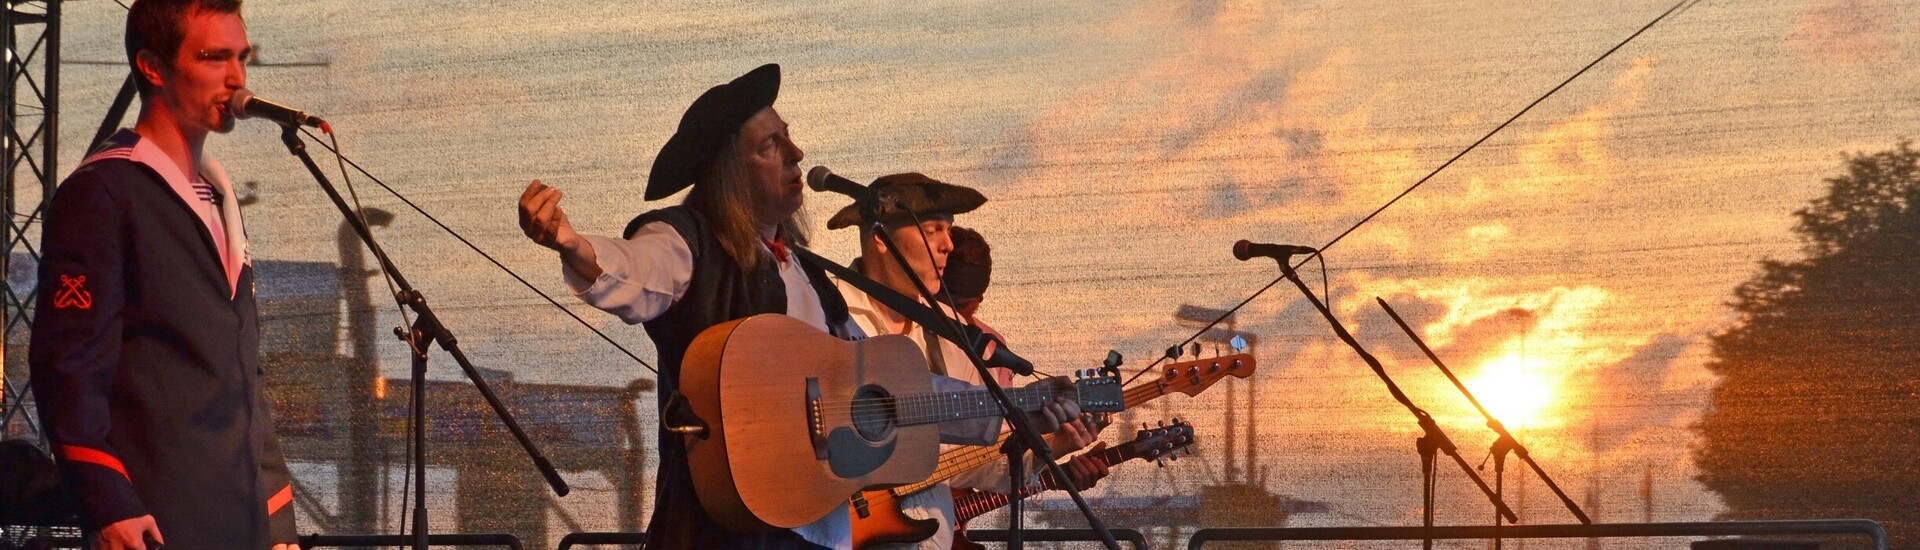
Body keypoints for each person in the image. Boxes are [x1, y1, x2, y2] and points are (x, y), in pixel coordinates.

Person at [517, 64, 1084, 550]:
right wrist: (575, 246)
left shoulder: (813, 276)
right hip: (728, 533)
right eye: (771, 146)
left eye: (788, 138)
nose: (797, 153)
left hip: (824, 532)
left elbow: (897, 390)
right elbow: (639, 272)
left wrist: (1016, 409)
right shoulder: (688, 239)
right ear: (730, 173)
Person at [29, 1, 300, 549]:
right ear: (153, 66)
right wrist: (110, 505)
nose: (237, 78)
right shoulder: (102, 192)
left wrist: (278, 525)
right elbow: (66, 367)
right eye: (213, 57)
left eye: (241, 57)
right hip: (156, 524)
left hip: (242, 526)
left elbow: (243, 378)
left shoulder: (220, 199)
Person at [825, 175, 1104, 549]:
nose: (948, 245)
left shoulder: (955, 335)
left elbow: (972, 464)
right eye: (934, 230)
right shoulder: (825, 311)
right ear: (881, 238)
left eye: (950, 230)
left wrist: (1049, 444)